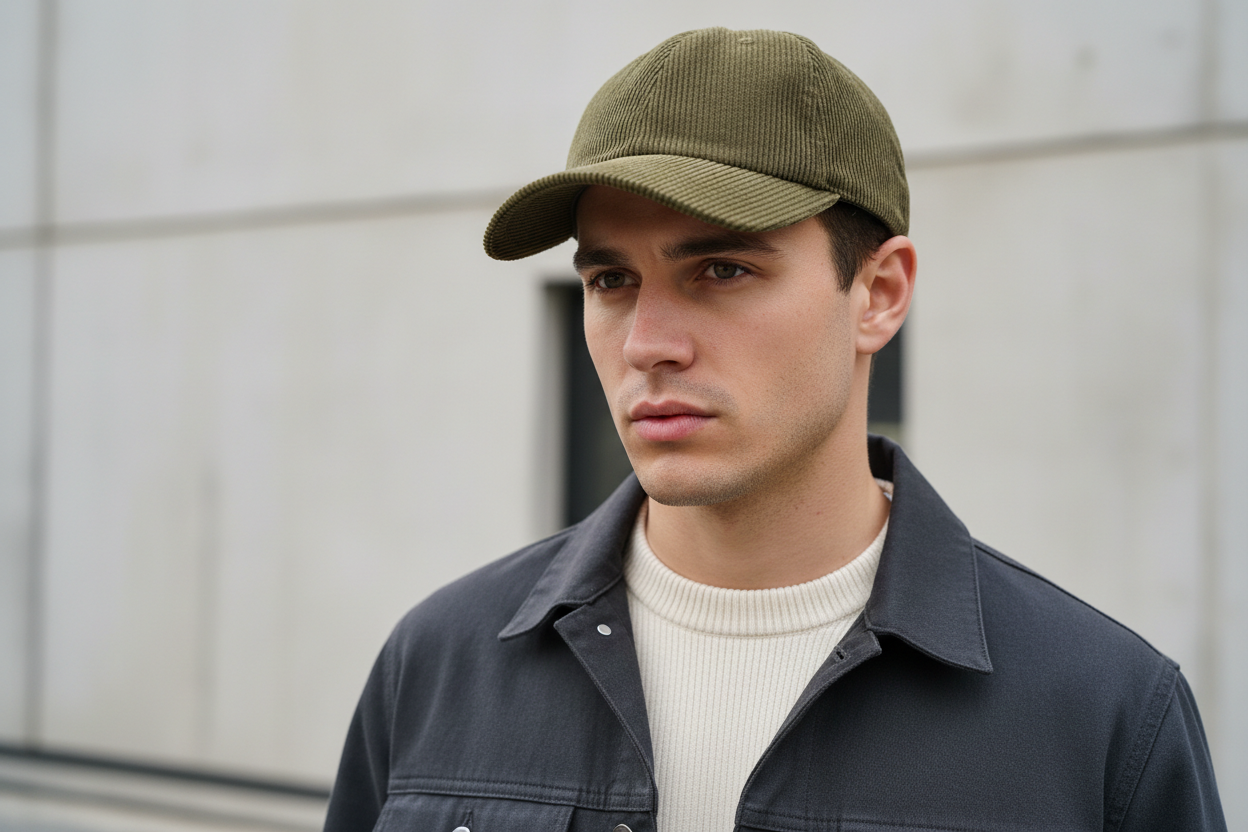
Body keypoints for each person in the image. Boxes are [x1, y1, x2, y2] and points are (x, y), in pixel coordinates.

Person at [324, 28, 1224, 832]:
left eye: (721, 269)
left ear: (878, 294)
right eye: (610, 280)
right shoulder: (437, 662)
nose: (647, 344)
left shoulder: (1101, 712)